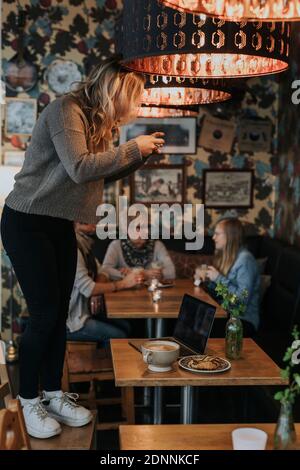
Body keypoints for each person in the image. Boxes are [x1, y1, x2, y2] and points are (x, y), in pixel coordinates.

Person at [0, 56, 165, 439]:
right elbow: (79, 167)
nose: (136, 107)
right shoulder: (66, 110)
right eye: (135, 97)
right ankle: (28, 401)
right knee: (43, 315)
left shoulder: (101, 126)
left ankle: (55, 394)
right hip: (26, 221)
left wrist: (140, 154)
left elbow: (101, 171)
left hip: (58, 223)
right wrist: (134, 146)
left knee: (57, 315)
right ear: (117, 90)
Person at [67, 222, 144, 342]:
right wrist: (123, 283)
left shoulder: (84, 244)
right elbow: (88, 288)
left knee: (126, 326)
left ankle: (105, 357)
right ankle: (102, 360)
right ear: (76, 223)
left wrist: (97, 291)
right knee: (119, 336)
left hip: (85, 312)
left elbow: (103, 271)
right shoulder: (73, 247)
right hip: (72, 322)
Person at [203, 218, 260, 337]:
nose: (213, 237)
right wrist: (207, 280)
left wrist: (218, 278)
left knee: (201, 327)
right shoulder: (228, 257)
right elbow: (220, 295)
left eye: (217, 234)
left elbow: (240, 302)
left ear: (230, 236)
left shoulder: (245, 260)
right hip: (228, 315)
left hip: (243, 321)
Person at [102, 223, 176, 281]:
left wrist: (159, 274)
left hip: (151, 292)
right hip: (124, 292)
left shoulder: (157, 245)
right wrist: (140, 274)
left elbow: (172, 272)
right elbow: (105, 270)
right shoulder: (116, 245)